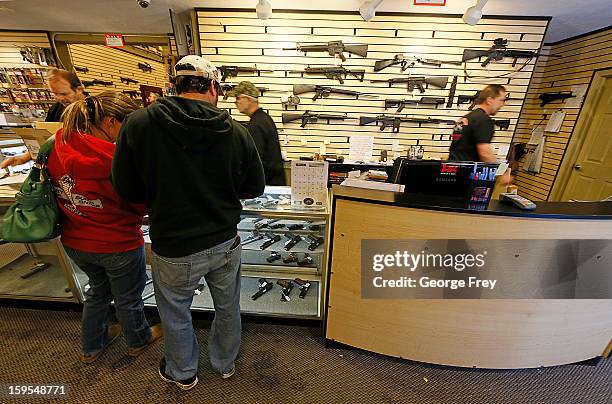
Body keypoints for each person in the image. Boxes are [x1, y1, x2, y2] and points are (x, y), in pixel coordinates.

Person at [111, 56, 265, 390]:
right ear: (213, 87)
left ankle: (183, 372)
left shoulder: (138, 124)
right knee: (227, 307)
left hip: (173, 244)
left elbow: (125, 188)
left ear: (174, 86)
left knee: (175, 312)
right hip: (225, 241)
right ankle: (224, 364)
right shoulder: (237, 132)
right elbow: (254, 188)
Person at [47, 91, 162, 364]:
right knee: (128, 296)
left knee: (97, 291)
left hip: (75, 240)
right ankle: (138, 340)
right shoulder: (116, 158)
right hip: (117, 242)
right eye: (128, 124)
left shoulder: (58, 143)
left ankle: (91, 346)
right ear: (111, 122)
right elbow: (140, 204)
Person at [0, 69, 85, 169]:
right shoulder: (55, 109)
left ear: (79, 89)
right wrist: (22, 159)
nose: (59, 98)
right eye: (55, 93)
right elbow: (46, 140)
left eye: (64, 94)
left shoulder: (96, 110)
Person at [227, 81, 285, 185]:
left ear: (248, 99)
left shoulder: (256, 124)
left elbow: (256, 162)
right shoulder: (263, 118)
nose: (235, 102)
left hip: (267, 186)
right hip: (273, 183)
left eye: (238, 98)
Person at [449, 84, 507, 163]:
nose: (502, 104)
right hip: (467, 171)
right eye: (501, 100)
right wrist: (499, 173)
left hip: (453, 168)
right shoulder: (483, 120)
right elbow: (485, 153)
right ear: (489, 100)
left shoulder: (466, 118)